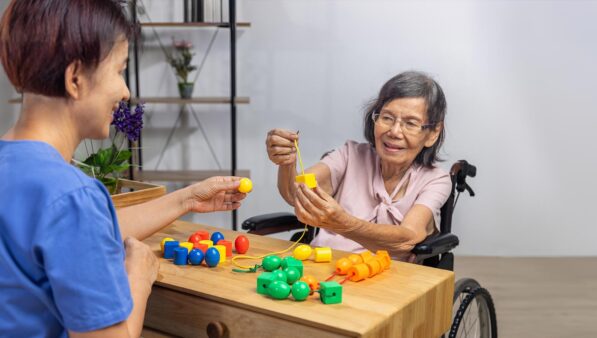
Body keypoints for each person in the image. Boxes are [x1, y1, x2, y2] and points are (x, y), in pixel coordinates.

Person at [0, 1, 246, 337]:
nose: (125, 91)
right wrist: (138, 277)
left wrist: (186, 199)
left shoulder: (25, 176)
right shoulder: (72, 197)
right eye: (119, 70)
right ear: (75, 78)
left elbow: (76, 235)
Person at [266, 71, 451, 261]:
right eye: (387, 118)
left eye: (410, 123)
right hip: (321, 267)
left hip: (386, 280)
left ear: (433, 133)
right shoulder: (349, 155)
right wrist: (286, 163)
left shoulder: (436, 180)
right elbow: (295, 195)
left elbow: (408, 238)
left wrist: (344, 223)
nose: (394, 132)